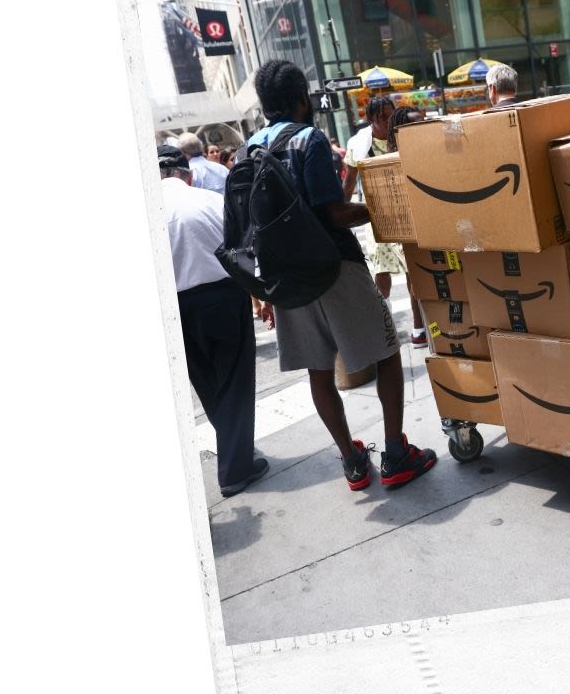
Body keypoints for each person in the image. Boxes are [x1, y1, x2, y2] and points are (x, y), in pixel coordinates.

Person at [244, 59, 436, 491]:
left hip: (286, 281)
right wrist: (380, 209)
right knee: (387, 351)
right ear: (301, 99)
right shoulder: (308, 139)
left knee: (319, 370)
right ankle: (395, 454)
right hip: (334, 267)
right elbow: (333, 213)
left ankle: (352, 462)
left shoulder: (247, 150)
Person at [159, 143, 269, 497]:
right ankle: (235, 468)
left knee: (207, 382)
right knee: (234, 380)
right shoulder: (207, 200)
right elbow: (244, 249)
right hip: (222, 296)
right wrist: (262, 293)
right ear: (188, 175)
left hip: (174, 306)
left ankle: (235, 450)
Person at [339, 95, 426, 347]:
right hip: (375, 216)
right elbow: (349, 181)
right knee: (381, 272)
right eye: (383, 117)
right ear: (371, 119)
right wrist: (340, 214)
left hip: (405, 214)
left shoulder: (401, 135)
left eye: (391, 114)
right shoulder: (359, 144)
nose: (388, 120)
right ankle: (385, 328)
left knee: (412, 271)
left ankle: (419, 327)